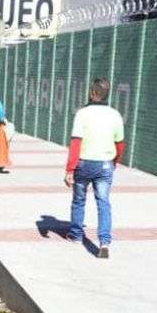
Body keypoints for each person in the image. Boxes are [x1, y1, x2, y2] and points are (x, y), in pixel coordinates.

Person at [63, 78, 125, 259]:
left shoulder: (82, 114)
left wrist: (69, 169)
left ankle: (75, 234)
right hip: (105, 164)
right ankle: (104, 241)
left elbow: (76, 142)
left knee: (79, 200)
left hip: (83, 164)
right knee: (103, 203)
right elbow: (119, 143)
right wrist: (115, 161)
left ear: (92, 93)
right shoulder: (115, 115)